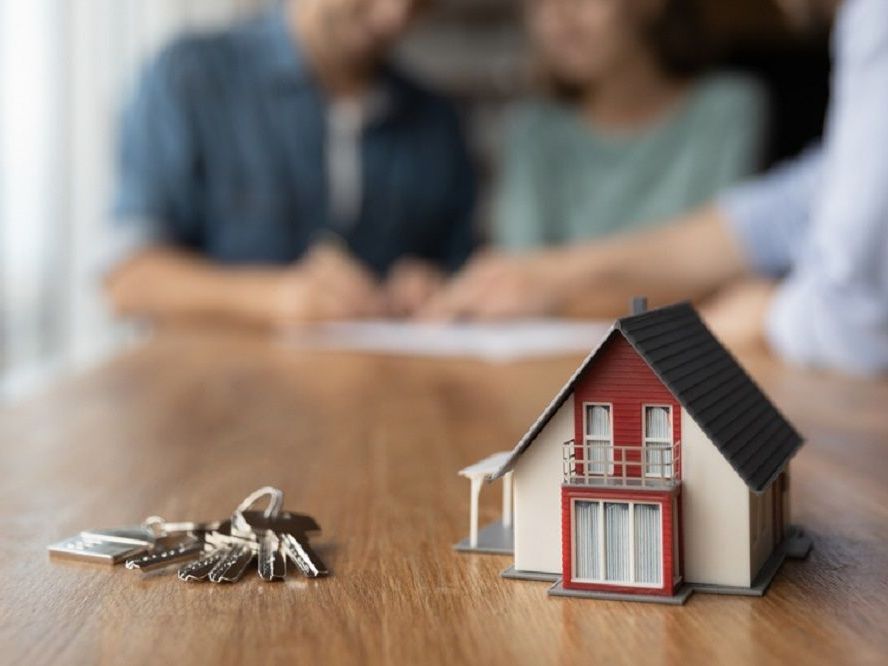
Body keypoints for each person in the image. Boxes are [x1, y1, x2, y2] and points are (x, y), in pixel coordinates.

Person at [423, 0, 888, 376]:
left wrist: (770, 312)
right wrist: (558, 275)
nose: (559, 13)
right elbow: (792, 206)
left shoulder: (870, 20)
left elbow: (856, 309)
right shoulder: (534, 129)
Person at [106, 0, 476, 327]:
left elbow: (460, 273)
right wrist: (274, 297)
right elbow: (129, 281)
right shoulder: (191, 78)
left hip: (387, 390)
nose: (394, 15)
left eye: (421, 2)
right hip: (220, 391)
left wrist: (432, 286)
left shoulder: (436, 121)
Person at [494, 0, 768, 250]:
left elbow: (724, 256)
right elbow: (522, 272)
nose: (561, 13)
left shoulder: (724, 109)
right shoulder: (534, 132)